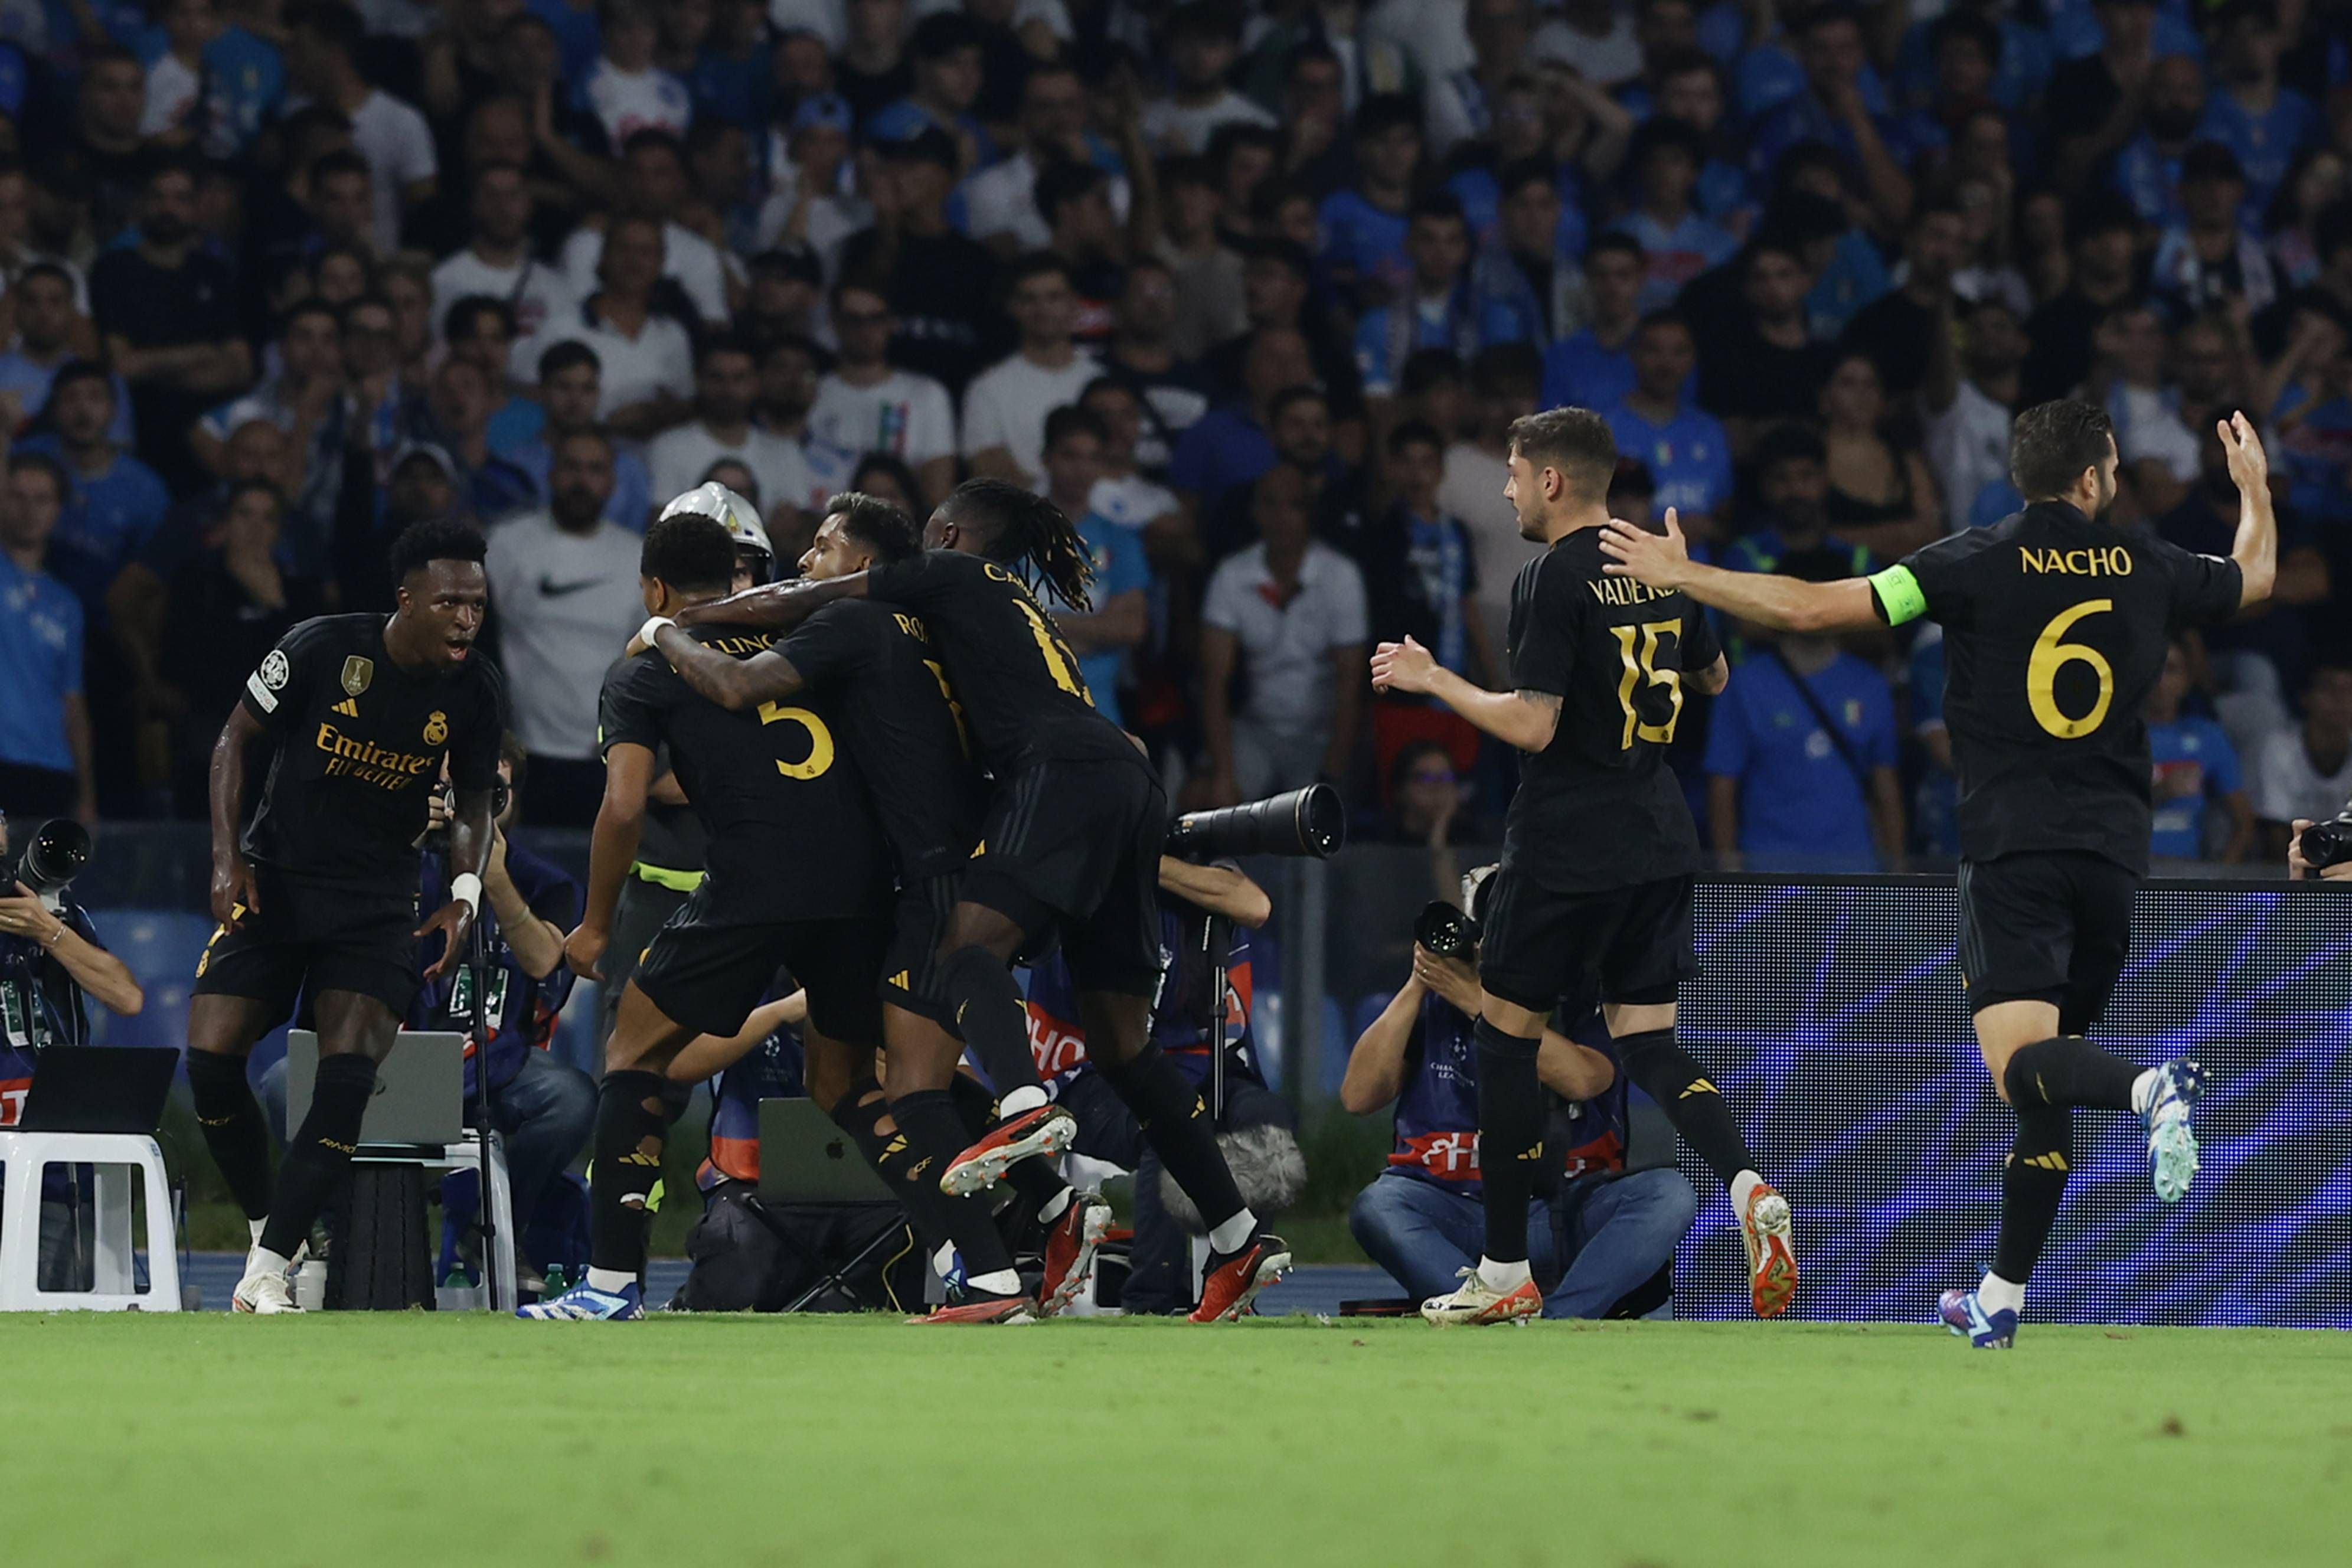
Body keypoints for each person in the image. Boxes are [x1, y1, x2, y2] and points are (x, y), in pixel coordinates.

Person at [1598, 399, 2279, 1347]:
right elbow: (2254, 578)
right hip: (2115, 858)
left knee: (2020, 1069)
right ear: (2092, 480)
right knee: (2047, 1077)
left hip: (2014, 848)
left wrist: (1684, 574)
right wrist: (2253, 489)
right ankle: (2000, 1296)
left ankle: (2149, 1088)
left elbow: (1809, 605)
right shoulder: (2148, 564)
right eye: (2113, 466)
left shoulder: (1969, 561)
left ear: (2026, 477)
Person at [668, 478, 1289, 1323]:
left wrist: (680, 624)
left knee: (963, 965)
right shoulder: (998, 615)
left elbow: (803, 608)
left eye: (928, 539)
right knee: (1120, 1045)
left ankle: (1029, 1131)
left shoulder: (934, 588)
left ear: (951, 537)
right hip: (1122, 781)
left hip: (1035, 793)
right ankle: (1233, 1236)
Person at [1371, 407, 1789, 1328]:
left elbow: (1534, 724)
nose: (1508, 489)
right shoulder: (1652, 559)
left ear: (1553, 480)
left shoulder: (1552, 576)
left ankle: (1506, 1270)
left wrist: (1434, 678)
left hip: (1567, 841)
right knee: (1646, 1041)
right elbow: (1714, 682)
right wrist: (1683, 584)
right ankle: (1749, 1182)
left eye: (1516, 474)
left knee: (1505, 1037)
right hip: (1660, 837)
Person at [520, 498, 898, 1322]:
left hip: (754, 883)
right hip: (861, 888)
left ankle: (612, 1288)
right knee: (842, 1084)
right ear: (735, 576)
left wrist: (592, 924)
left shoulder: (647, 667)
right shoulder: (804, 640)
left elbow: (622, 808)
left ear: (653, 588)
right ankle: (981, 1253)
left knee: (633, 1054)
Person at [187, 517, 507, 1314]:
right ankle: (279, 1228)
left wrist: (462, 893)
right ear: (408, 600)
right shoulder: (321, 649)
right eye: (450, 603)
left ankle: (263, 1275)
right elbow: (234, 740)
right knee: (211, 1060)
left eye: (477, 603)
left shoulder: (476, 690)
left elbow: (474, 799)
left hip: (375, 903)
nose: (467, 618)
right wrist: (227, 860)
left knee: (347, 1081)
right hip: (277, 881)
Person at [1342, 878, 1697, 1319]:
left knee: (1670, 1195)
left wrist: (1480, 1005)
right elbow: (1357, 1097)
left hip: (1565, 1212)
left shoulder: (1588, 999)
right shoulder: (1438, 1001)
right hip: (1454, 1209)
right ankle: (1482, 1306)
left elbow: (1584, 1079)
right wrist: (1420, 983)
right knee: (1378, 1207)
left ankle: (1557, 1319)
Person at [410, 743, 593, 1290]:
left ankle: (489, 1229)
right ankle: (330, 1228)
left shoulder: (545, 882)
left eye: (491, 789)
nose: (473, 801)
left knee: (570, 1098)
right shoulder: (394, 862)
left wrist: (489, 871)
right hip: (397, 1057)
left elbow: (544, 959)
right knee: (287, 1086)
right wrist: (406, 844)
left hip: (498, 1061)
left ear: (512, 799)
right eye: (458, 786)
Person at [0, 809, 146, 1289]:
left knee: (62, 1312)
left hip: (55, 1169)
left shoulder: (54, 920)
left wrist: (49, 933)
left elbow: (127, 997)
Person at [1703, 549, 1905, 872]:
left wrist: (1898, 878)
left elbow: (1886, 786)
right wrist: (1730, 874)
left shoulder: (1871, 685)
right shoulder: (1744, 686)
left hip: (1855, 874)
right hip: (1768, 873)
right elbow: (1722, 787)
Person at [483, 428, 645, 827]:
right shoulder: (506, 544)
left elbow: (646, 660)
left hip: (602, 757)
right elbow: (479, 640)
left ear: (611, 482)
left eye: (594, 469)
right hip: (521, 754)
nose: (581, 480)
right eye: (571, 467)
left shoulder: (637, 557)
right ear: (552, 474)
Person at [1200, 463, 1368, 801]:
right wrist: (1224, 772)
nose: (1282, 517)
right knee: (1206, 805)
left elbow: (1350, 683)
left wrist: (1332, 772)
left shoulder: (1341, 577)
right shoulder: (1232, 575)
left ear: (1311, 513)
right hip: (1254, 731)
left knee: (1314, 836)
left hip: (1322, 735)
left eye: (1294, 505)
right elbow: (1214, 682)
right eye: (1270, 504)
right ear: (1255, 512)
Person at [1037, 408, 1149, 729]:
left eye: (1093, 458)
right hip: (1023, 709)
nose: (1081, 470)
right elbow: (997, 624)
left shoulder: (1120, 540)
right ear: (1046, 459)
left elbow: (1130, 627)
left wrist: (1042, 623)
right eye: (1070, 456)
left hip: (1097, 713)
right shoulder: (1007, 536)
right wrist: (1095, 631)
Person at [0, 456, 96, 821]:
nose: (30, 510)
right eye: (18, 497)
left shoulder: (66, 604)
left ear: (58, 509)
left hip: (50, 769)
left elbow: (73, 702)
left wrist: (87, 795)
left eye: (42, 499)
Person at [805, 279, 956, 509]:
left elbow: (938, 492)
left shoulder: (927, 394)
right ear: (835, 322)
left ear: (891, 322)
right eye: (854, 320)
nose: (864, 330)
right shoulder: (811, 393)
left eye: (875, 319)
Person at [959, 253, 1099, 488]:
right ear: (1013, 307)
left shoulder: (1100, 379)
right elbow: (989, 469)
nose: (1042, 309)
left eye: (1054, 297)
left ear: (1074, 303)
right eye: (1029, 299)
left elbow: (1119, 464)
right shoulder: (987, 388)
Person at [495, 342, 655, 533]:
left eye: (587, 389)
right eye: (563, 387)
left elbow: (635, 538)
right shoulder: (511, 465)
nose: (575, 400)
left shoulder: (628, 469)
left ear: (598, 393)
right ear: (541, 391)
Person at [646, 335, 815, 515]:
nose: (728, 389)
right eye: (717, 378)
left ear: (756, 383)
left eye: (739, 378)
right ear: (698, 381)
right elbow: (661, 524)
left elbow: (795, 528)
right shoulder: (669, 448)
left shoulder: (785, 453)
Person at [2145, 639, 2252, 864]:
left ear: (2186, 680)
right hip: (2130, 872)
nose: (2160, 680)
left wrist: (2220, 878)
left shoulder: (2207, 736)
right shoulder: (2117, 736)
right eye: (2153, 668)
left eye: (2171, 670)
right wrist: (2161, 792)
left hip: (2187, 872)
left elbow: (2243, 820)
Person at [2249, 665, 2352, 861]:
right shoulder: (2278, 749)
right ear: (2305, 697)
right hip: (2290, 868)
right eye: (2328, 687)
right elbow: (2274, 832)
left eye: (2349, 690)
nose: (2340, 698)